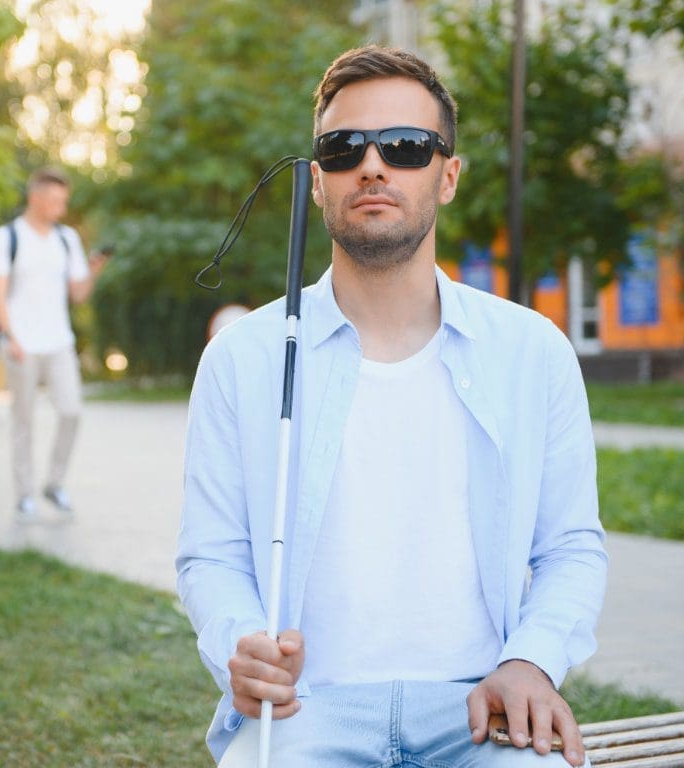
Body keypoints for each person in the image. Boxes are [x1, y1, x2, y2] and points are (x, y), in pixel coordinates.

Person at [176, 45, 606, 768]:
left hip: (481, 706)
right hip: (305, 710)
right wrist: (237, 646)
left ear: (449, 176)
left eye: (406, 146)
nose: (372, 166)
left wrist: (532, 661)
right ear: (317, 183)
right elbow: (210, 555)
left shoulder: (533, 351)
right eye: (344, 149)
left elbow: (570, 547)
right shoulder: (242, 358)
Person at [0, 167, 108, 519]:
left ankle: (54, 483)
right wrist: (9, 336)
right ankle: (24, 494)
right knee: (23, 421)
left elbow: (78, 295)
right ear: (34, 198)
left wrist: (95, 269)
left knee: (71, 411)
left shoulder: (66, 239)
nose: (60, 207)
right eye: (54, 200)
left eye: (63, 200)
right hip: (21, 344)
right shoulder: (7, 237)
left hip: (59, 342)